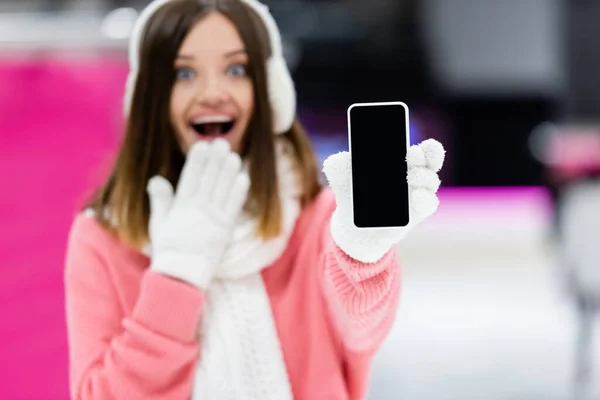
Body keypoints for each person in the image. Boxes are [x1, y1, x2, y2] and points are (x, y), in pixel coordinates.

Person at [63, 0, 445, 399]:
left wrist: (362, 257)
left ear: (268, 90)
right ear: (151, 99)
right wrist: (176, 275)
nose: (212, 92)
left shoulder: (317, 219)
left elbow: (363, 334)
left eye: (236, 69)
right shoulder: (102, 237)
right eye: (184, 72)